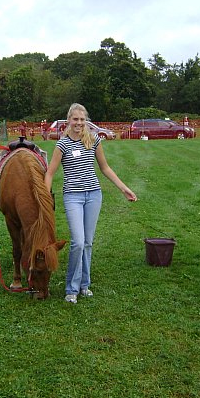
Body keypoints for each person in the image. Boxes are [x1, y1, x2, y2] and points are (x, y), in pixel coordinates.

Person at [45, 103, 137, 304]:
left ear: (85, 121)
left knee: (87, 243)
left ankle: (84, 285)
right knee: (77, 242)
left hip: (94, 195)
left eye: (82, 119)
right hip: (73, 197)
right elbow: (50, 172)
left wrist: (124, 188)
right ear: (68, 120)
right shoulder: (62, 145)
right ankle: (71, 288)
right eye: (75, 119)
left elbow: (105, 168)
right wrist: (45, 196)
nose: (78, 123)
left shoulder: (93, 140)